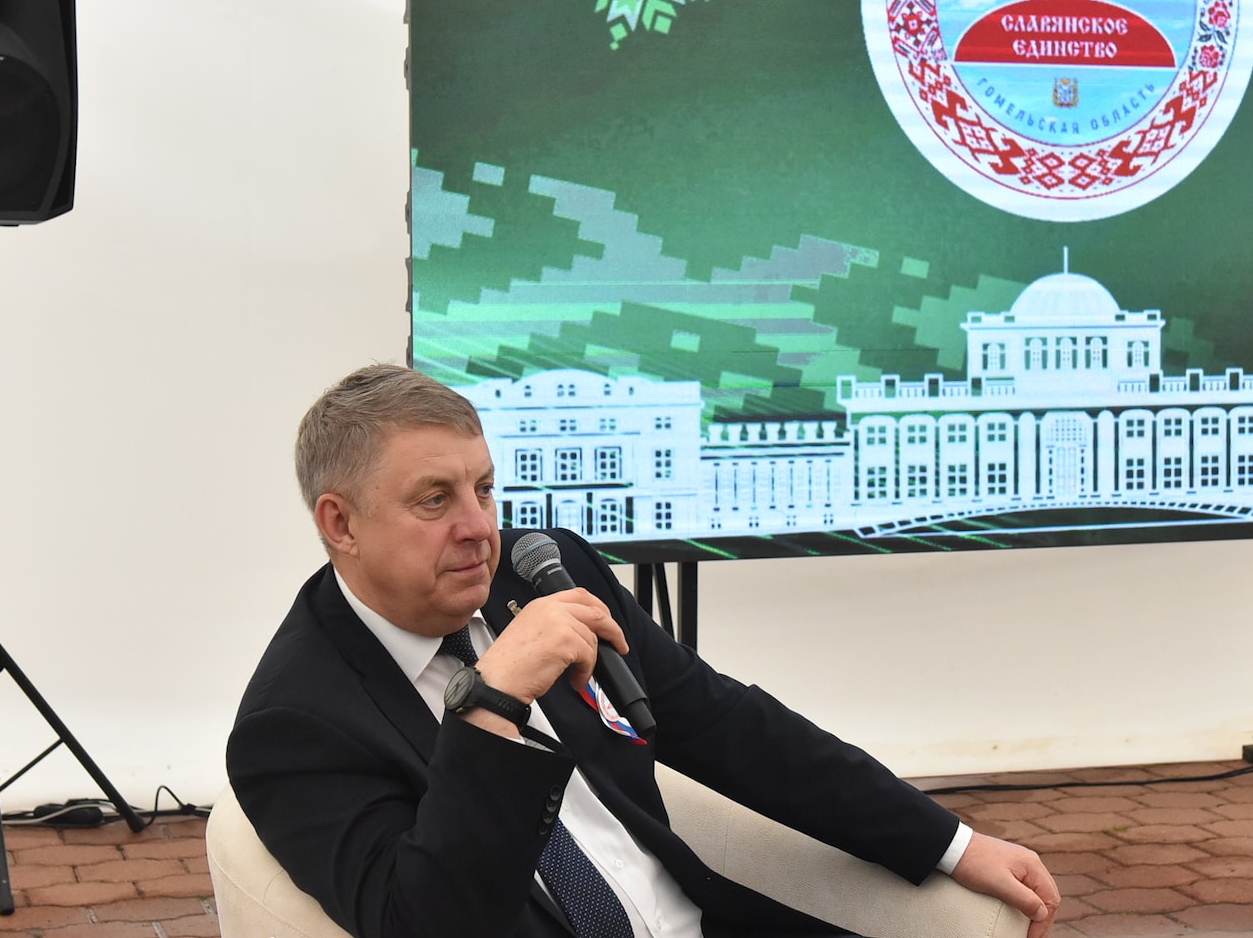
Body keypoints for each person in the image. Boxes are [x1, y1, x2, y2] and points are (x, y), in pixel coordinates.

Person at [228, 364, 1060, 938]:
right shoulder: (294, 725)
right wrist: (492, 702)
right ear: (341, 523)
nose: (480, 528)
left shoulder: (538, 573)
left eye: (484, 488)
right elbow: (430, 922)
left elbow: (725, 725)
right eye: (434, 500)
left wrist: (951, 844)